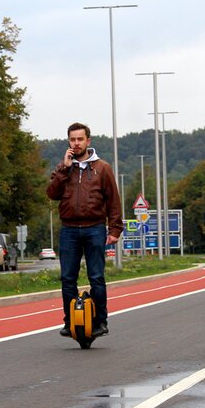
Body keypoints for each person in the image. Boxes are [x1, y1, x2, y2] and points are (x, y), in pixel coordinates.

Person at [46, 122, 123, 337]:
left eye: (80, 139)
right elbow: (52, 193)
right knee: (67, 278)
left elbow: (113, 200)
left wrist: (115, 229)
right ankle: (70, 322)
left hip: (95, 228)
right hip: (69, 230)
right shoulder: (63, 168)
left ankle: (100, 322)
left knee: (96, 277)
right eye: (73, 139)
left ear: (88, 141)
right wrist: (64, 168)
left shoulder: (102, 168)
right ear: (68, 142)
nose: (76, 143)